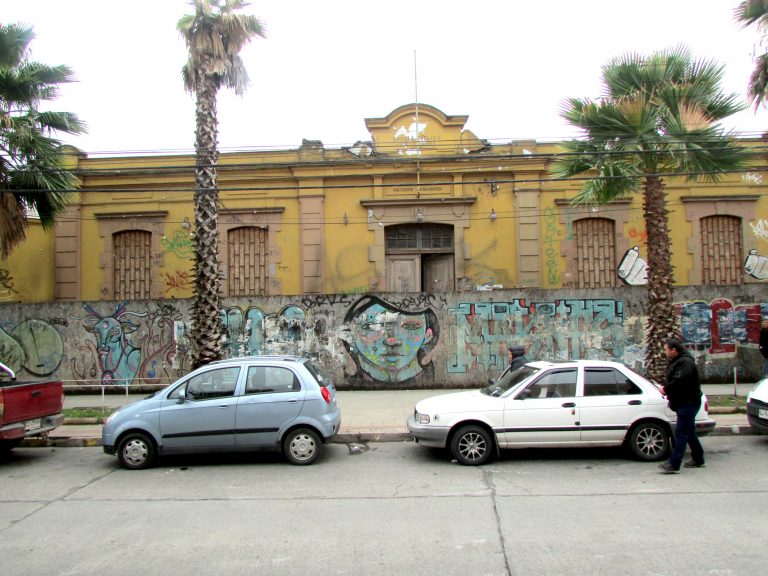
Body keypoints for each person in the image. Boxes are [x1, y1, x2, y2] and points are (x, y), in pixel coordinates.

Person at [658, 338, 705, 474]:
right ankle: (698, 458)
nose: (665, 352)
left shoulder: (686, 363)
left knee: (681, 433)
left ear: (674, 350)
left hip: (688, 402)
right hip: (684, 402)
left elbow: (679, 381)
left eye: (667, 349)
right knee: (689, 432)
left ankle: (674, 463)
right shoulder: (678, 361)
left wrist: (666, 389)